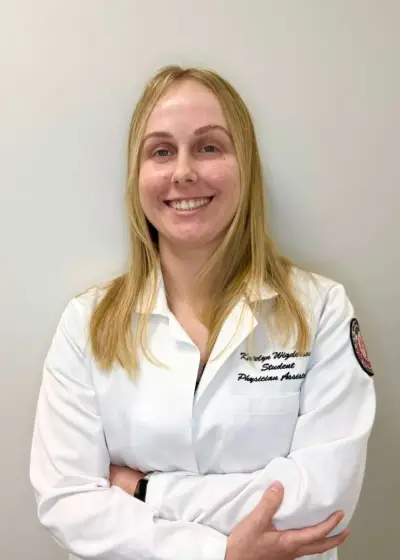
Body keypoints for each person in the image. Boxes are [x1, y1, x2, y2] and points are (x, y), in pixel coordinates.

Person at [29, 65, 376, 560]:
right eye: (161, 151)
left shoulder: (319, 310)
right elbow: (68, 503)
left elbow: (322, 499)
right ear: (137, 175)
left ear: (245, 166)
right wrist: (220, 554)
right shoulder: (87, 324)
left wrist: (147, 490)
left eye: (209, 147)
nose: (183, 172)